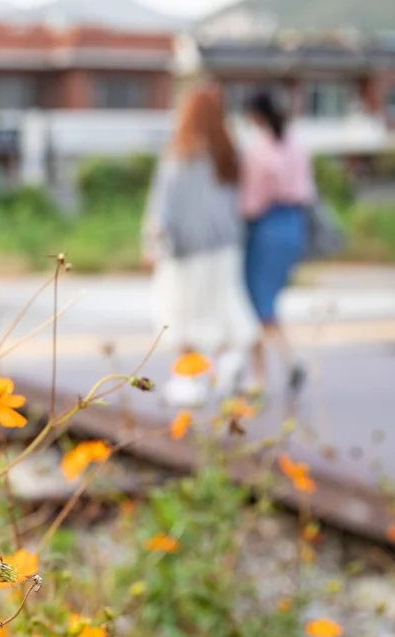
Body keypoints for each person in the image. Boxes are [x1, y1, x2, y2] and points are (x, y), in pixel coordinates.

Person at [142, 84, 260, 407]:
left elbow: (162, 207)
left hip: (186, 249)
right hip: (226, 246)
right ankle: (230, 359)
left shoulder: (179, 153)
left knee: (180, 312)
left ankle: (189, 380)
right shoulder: (230, 152)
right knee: (223, 305)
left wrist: (152, 244)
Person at [240, 90, 316, 394]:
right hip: (294, 225)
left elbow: (252, 202)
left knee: (256, 304)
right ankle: (275, 366)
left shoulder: (260, 149)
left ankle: (266, 372)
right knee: (266, 302)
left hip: (266, 226)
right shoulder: (296, 144)